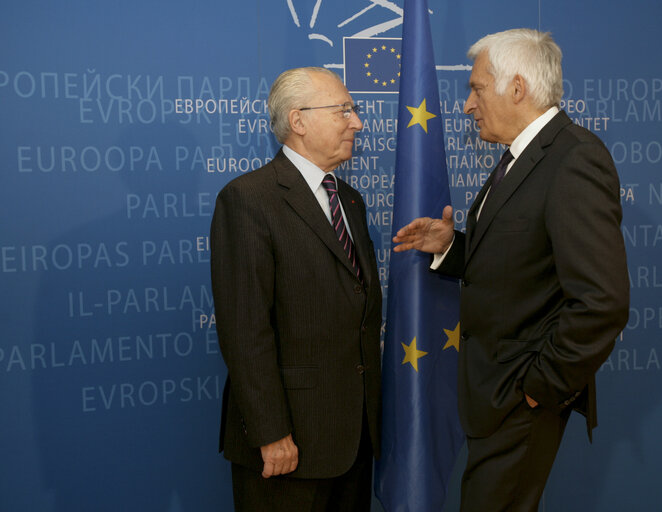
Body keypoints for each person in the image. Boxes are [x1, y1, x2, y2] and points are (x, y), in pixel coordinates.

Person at [392, 29, 630, 511]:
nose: (467, 105)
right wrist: (452, 247)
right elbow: (522, 262)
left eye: (477, 88)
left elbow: (602, 302)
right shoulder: (520, 158)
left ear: (517, 89)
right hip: (495, 396)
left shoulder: (573, 159)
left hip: (521, 396)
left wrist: (540, 389)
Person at [210, 67, 382, 512]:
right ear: (298, 120)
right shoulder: (248, 200)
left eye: (354, 110)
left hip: (353, 441)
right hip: (287, 447)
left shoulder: (350, 200)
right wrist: (270, 432)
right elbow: (245, 332)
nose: (357, 122)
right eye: (343, 110)